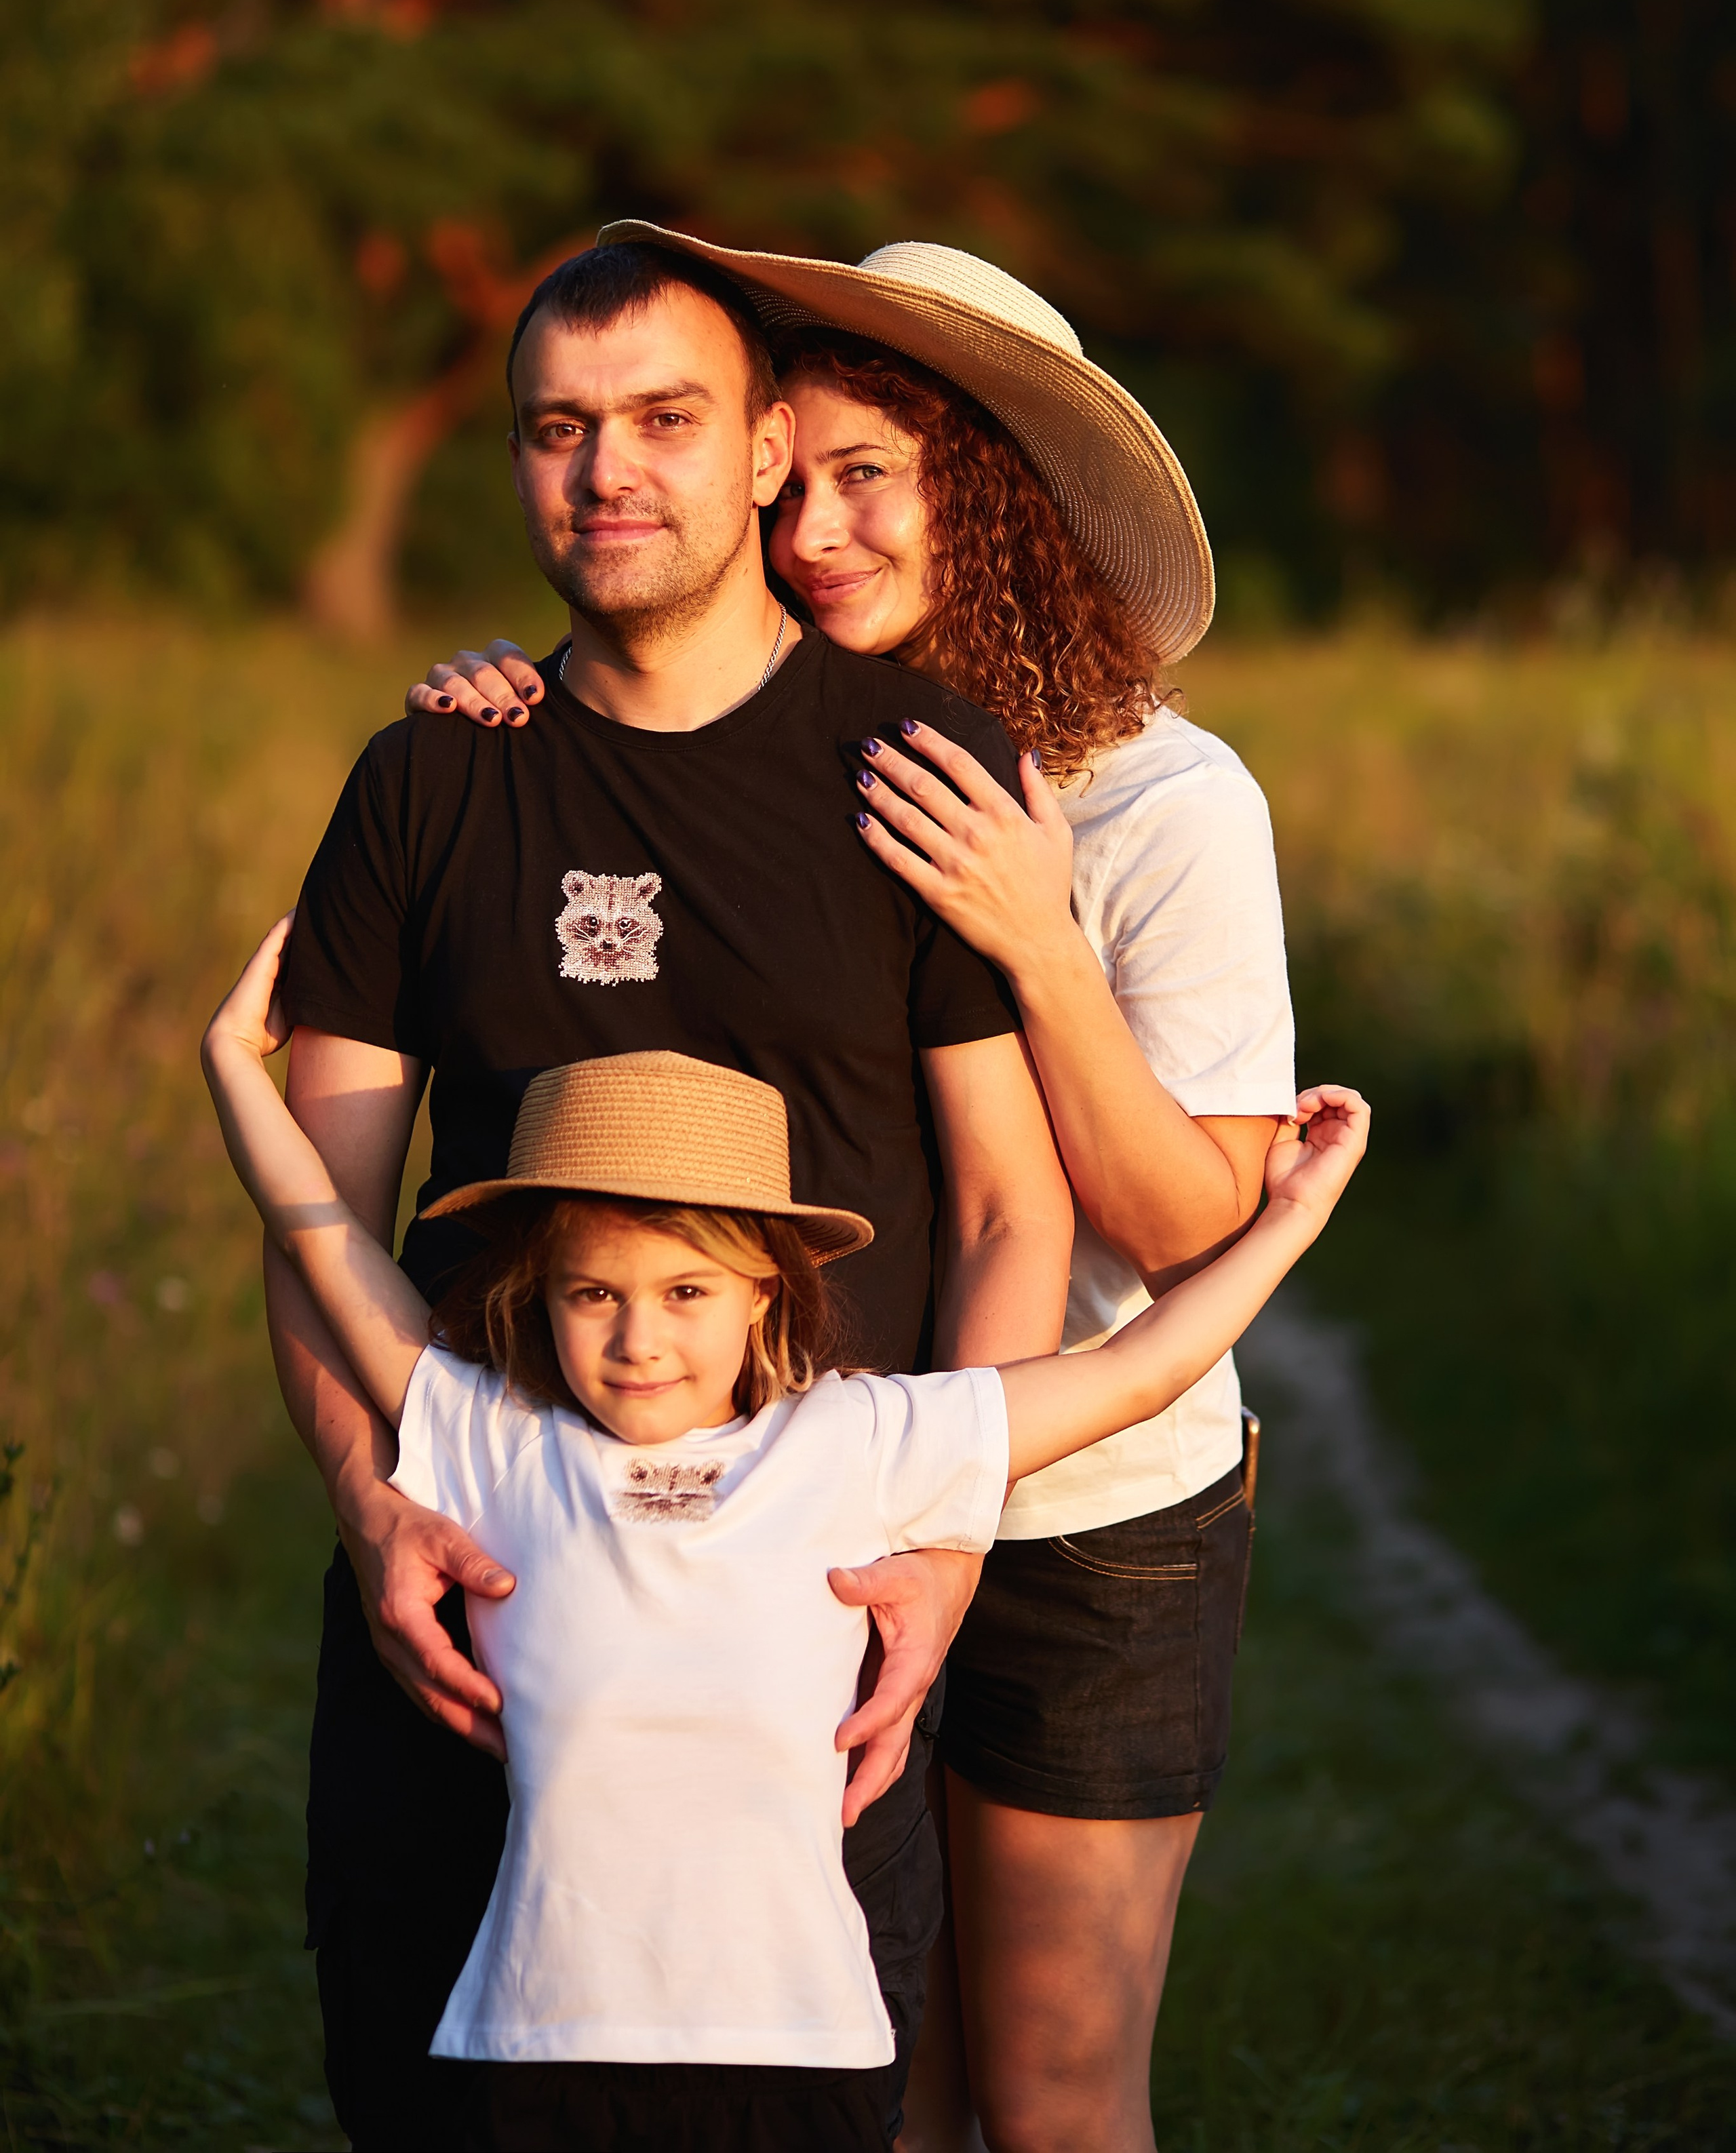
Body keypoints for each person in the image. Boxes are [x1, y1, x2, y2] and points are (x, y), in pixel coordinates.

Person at [414, 228, 1295, 2153]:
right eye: (787, 475)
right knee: (864, 2073)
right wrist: (514, 712)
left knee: (1056, 2095)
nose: (812, 530)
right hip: (807, 1492)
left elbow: (1196, 1231)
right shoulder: (800, 759)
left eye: (868, 475)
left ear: (986, 487)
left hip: (1087, 1514)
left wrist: (1040, 947)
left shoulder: (1165, 802)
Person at [269, 238, 1077, 2150]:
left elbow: (1005, 1214)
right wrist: (375, 1512)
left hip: (800, 1643)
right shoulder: (428, 783)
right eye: (559, 429)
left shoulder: (917, 765)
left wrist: (939, 1567)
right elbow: (319, 1229)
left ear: (771, 453)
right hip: (475, 1610)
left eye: (663, 422)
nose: (608, 471)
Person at [203, 920, 1366, 2153]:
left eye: (686, 1292)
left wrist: (1291, 1215)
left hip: (800, 2047)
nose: (637, 1340)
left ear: (767, 1283)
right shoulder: (499, 1440)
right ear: (538, 1297)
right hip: (541, 2037)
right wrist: (233, 1062)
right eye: (593, 1294)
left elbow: (1136, 1370)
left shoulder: (856, 1442)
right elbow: (326, 1241)